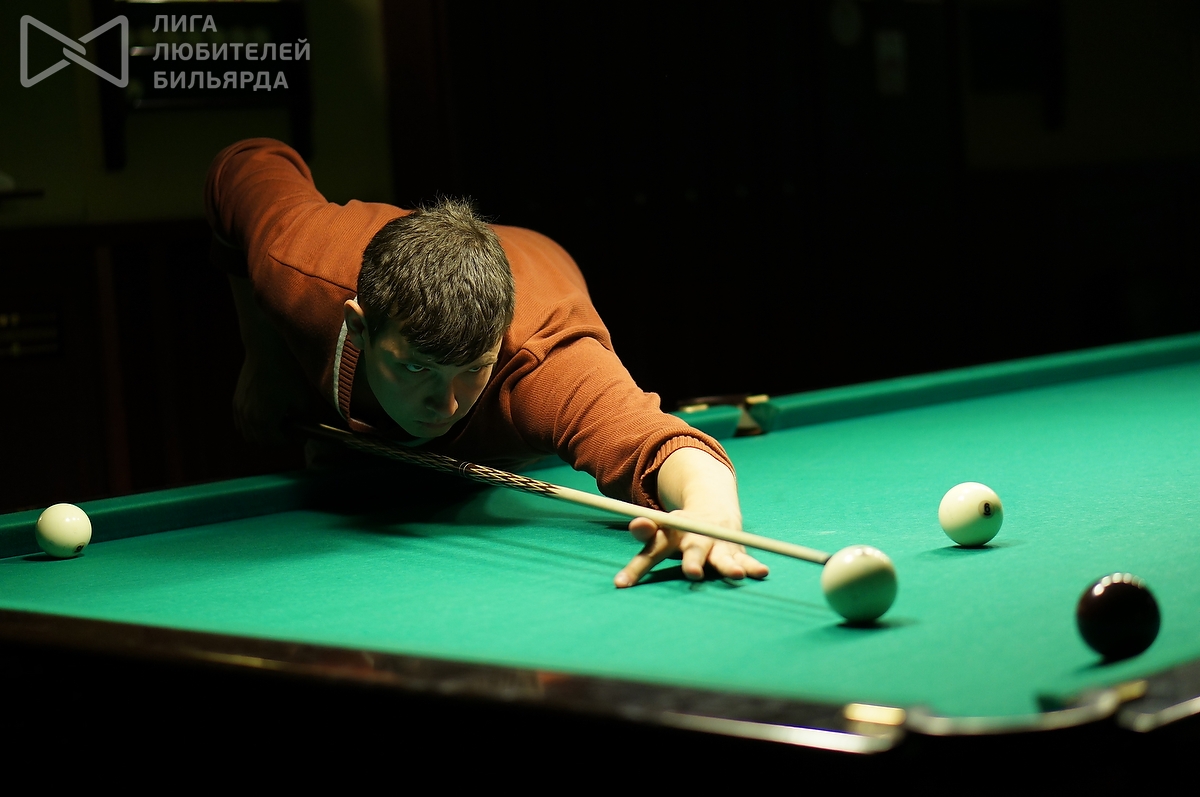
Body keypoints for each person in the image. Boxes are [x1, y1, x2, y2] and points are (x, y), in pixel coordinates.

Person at [205, 138, 768, 588]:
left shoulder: (541, 359)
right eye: (417, 369)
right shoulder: (300, 262)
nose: (446, 405)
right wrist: (262, 356)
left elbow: (659, 442)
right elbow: (244, 162)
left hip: (541, 265)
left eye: (472, 370)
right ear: (359, 326)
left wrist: (710, 509)